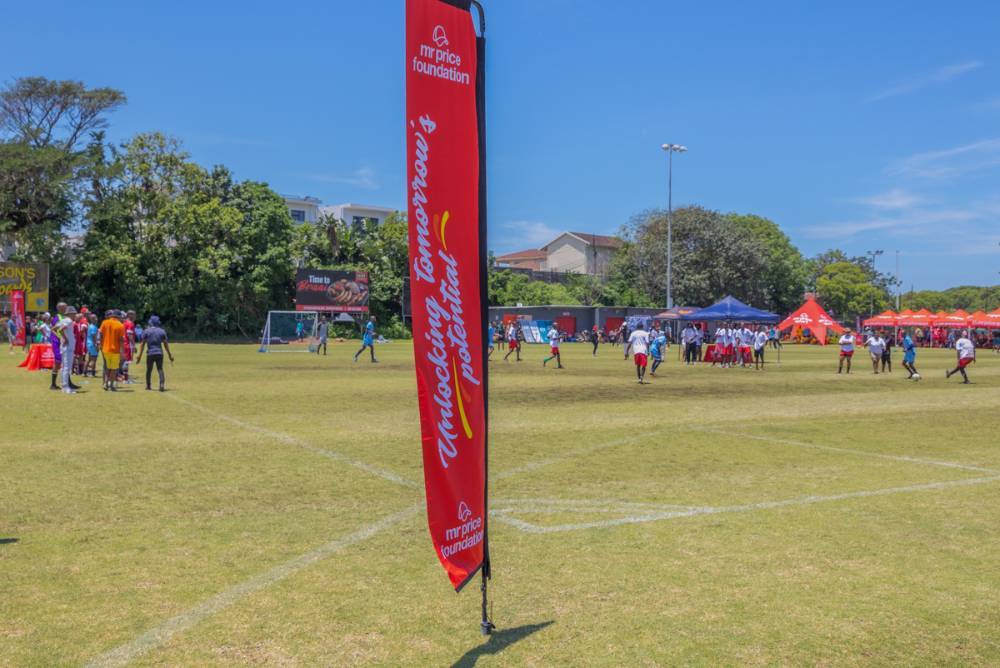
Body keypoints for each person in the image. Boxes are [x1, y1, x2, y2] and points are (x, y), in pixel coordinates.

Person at [135, 315, 174, 391]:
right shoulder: (162, 331)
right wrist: (170, 355)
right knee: (160, 369)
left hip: (150, 353)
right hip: (159, 353)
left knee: (149, 370)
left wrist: (139, 356)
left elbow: (142, 344)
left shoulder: (146, 331)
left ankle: (148, 386)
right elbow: (165, 344)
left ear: (151, 322)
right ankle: (162, 384)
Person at [54, 304, 81, 393]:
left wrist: (61, 338)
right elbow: (60, 329)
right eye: (74, 313)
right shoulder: (69, 321)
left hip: (65, 346)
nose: (75, 315)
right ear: (70, 314)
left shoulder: (63, 320)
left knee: (64, 367)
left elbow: (54, 329)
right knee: (67, 368)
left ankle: (65, 386)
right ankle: (65, 387)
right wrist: (65, 339)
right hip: (68, 346)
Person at [98, 310, 126, 391]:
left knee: (107, 367)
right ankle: (112, 385)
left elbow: (100, 334)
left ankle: (106, 383)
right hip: (115, 350)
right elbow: (121, 339)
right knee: (114, 369)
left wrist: (100, 344)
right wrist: (122, 352)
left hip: (105, 349)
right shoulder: (120, 325)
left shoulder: (104, 322)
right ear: (119, 317)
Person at [85, 313, 99, 377]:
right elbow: (93, 336)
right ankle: (93, 373)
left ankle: (85, 372)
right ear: (92, 319)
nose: (96, 319)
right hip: (92, 344)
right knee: (94, 359)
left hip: (89, 343)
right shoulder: (93, 327)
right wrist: (96, 344)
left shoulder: (90, 326)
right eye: (94, 318)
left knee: (89, 359)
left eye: (96, 317)